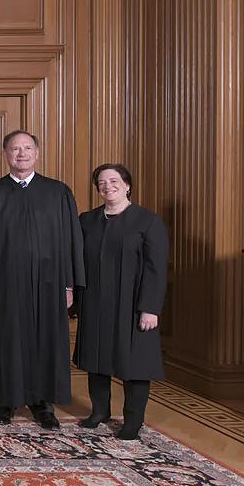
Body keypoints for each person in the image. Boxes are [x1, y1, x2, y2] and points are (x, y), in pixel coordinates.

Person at [0, 130, 84, 430]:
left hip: (49, 284)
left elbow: (71, 241)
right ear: (5, 154)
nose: (21, 154)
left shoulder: (58, 192)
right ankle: (5, 401)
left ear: (37, 153)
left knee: (45, 339)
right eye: (15, 149)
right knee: (4, 338)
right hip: (4, 283)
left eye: (27, 148)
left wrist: (69, 284)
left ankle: (43, 403)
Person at [75, 164, 168, 440]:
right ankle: (100, 410)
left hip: (133, 303)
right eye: (102, 183)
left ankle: (132, 420)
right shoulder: (87, 220)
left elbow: (156, 268)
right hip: (95, 301)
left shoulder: (148, 221)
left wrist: (150, 308)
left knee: (135, 362)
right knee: (96, 357)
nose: (108, 186)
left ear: (127, 185)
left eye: (114, 181)